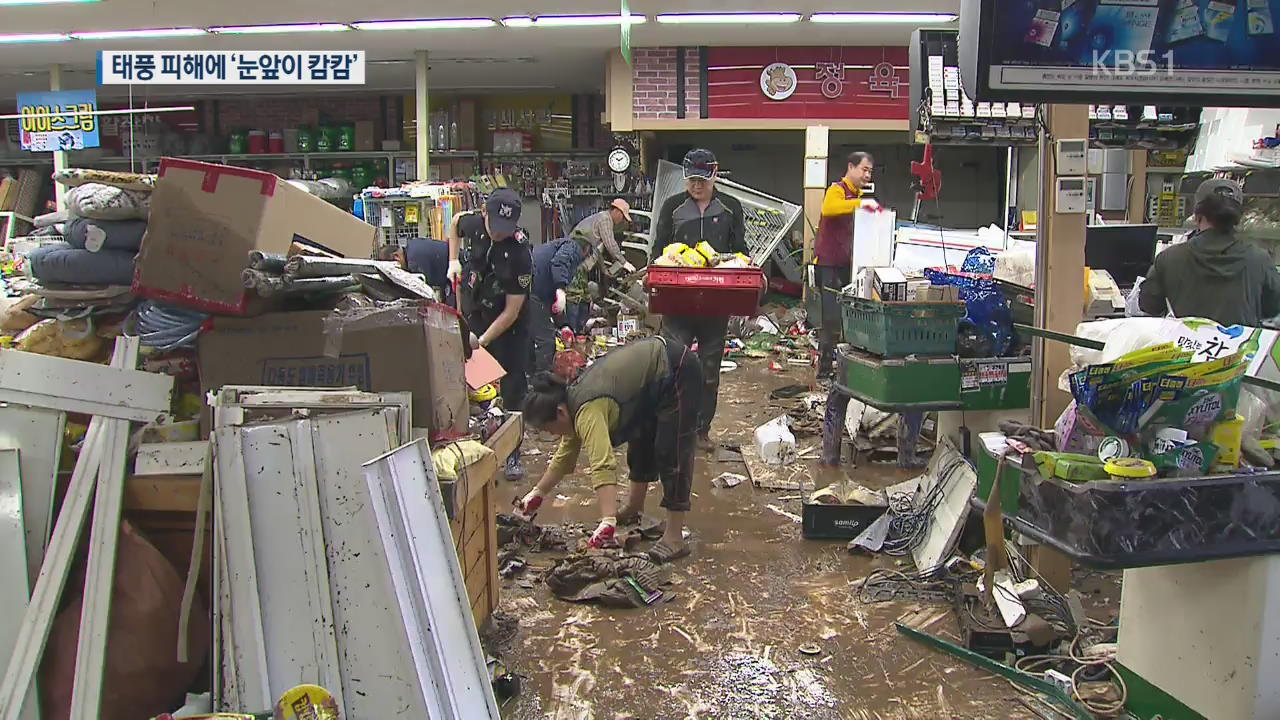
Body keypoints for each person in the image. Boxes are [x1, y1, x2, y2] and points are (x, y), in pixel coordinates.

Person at [514, 337, 702, 562]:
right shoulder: (570, 403)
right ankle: (634, 507)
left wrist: (607, 521)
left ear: (560, 413)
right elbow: (564, 457)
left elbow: (602, 463)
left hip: (677, 370)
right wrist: (537, 493)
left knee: (672, 452)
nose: (553, 435)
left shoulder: (586, 410)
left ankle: (674, 537)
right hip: (652, 381)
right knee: (641, 441)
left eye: (549, 429)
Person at [650, 148, 748, 451]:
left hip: (715, 304)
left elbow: (740, 250)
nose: (696, 186)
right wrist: (655, 269)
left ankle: (701, 431)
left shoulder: (730, 207)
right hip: (677, 302)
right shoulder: (672, 206)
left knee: (708, 371)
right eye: (691, 180)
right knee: (674, 365)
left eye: (702, 180)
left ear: (715, 174)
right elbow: (658, 250)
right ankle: (672, 428)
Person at [446, 188, 533, 480]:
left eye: (505, 229)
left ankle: (512, 454)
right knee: (467, 383)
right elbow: (455, 222)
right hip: (476, 311)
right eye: (494, 226)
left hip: (509, 326)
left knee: (512, 389)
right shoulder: (473, 224)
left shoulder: (520, 253)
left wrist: (482, 342)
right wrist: (453, 259)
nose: (498, 233)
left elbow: (512, 311)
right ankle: (465, 446)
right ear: (484, 213)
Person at [1138, 178, 1280, 327]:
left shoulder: (1169, 258)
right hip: (1241, 347)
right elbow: (1272, 309)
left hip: (1186, 346)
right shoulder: (1259, 260)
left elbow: (1149, 305)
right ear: (1238, 217)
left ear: (1197, 215)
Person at [813, 151, 874, 381]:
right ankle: (825, 371)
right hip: (828, 265)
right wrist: (862, 204)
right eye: (864, 169)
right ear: (851, 167)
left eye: (870, 171)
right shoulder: (837, 190)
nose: (867, 175)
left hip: (848, 265)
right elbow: (829, 209)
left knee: (851, 317)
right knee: (831, 319)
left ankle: (846, 368)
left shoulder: (858, 196)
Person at [530, 234, 590, 372]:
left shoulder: (550, 251)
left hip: (529, 289)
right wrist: (561, 288)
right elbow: (559, 262)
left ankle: (531, 380)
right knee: (546, 341)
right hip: (531, 290)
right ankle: (543, 383)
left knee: (531, 338)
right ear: (586, 250)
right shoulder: (572, 246)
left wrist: (564, 325)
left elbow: (550, 300)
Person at [376, 237, 455, 307]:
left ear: (396, 257)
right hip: (454, 271)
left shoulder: (414, 263)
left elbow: (424, 293)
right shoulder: (413, 244)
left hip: (459, 274)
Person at [572, 198, 636, 274]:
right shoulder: (605, 219)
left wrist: (604, 269)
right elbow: (610, 244)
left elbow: (598, 250)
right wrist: (624, 262)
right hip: (576, 251)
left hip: (578, 252)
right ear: (617, 211)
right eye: (623, 218)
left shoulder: (603, 217)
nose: (622, 221)